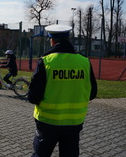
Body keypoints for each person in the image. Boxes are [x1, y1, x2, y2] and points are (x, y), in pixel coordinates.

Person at [28, 24, 97, 157]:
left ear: (52, 40)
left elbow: (33, 97)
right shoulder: (84, 62)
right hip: (74, 123)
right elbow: (92, 93)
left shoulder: (46, 62)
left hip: (47, 122)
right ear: (68, 39)